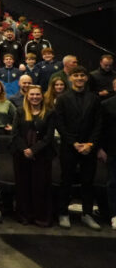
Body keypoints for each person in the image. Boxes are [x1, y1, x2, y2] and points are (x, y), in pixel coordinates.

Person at [55, 66, 102, 230]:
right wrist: (74, 143)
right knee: (66, 180)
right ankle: (63, 213)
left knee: (88, 181)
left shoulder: (94, 98)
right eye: (76, 75)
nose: (79, 78)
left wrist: (90, 144)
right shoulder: (62, 98)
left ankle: (87, 214)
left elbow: (98, 124)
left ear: (86, 78)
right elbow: (60, 123)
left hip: (89, 147)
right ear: (70, 78)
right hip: (69, 146)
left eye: (82, 75)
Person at [11, 85, 56, 227]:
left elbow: (48, 137)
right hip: (22, 155)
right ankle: (25, 216)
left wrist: (33, 150)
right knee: (23, 186)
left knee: (40, 187)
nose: (35, 97)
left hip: (42, 155)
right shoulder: (20, 111)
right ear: (27, 96)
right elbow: (15, 133)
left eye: (37, 94)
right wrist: (25, 149)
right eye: (32, 94)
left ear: (42, 96)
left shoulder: (49, 113)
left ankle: (40, 217)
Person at [98, 77, 116, 230]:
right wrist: (100, 148)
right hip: (112, 150)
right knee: (113, 183)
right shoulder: (106, 105)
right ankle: (114, 215)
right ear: (114, 87)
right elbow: (100, 128)